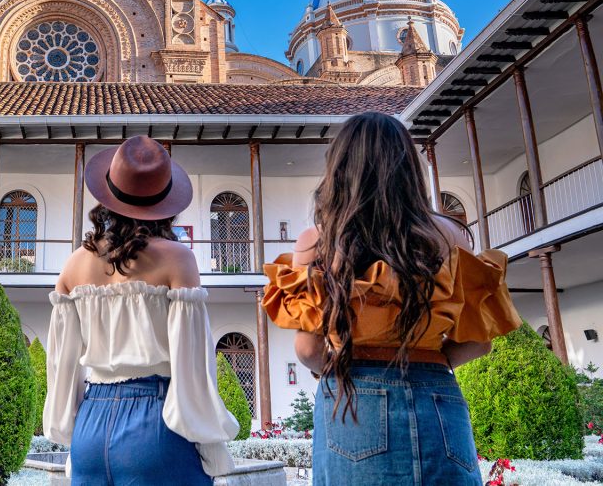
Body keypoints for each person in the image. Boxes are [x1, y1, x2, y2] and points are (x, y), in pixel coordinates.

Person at [263, 111, 522, 486]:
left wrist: (340, 359)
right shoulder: (450, 237)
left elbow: (307, 350)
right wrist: (428, 357)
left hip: (352, 400)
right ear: (408, 168)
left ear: (340, 170)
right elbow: (479, 343)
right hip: (438, 394)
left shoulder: (319, 242)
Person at [43, 135, 240, 486]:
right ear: (165, 203)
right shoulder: (178, 259)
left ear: (107, 197)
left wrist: (74, 438)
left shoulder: (74, 265)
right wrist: (212, 450)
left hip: (90, 425)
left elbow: (61, 365)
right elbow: (192, 365)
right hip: (157, 424)